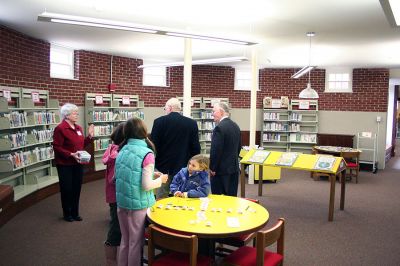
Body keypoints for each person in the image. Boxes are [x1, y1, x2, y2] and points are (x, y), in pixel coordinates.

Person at [115, 117, 168, 266]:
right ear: (144, 131)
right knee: (135, 243)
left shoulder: (122, 149)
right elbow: (146, 185)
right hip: (138, 205)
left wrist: (152, 174)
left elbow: (124, 175)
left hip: (122, 202)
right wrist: (160, 180)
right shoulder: (147, 153)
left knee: (125, 240)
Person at [150, 97, 200, 198]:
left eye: (165, 109)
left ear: (169, 108)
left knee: (162, 197)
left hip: (163, 168)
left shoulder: (159, 122)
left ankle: (162, 214)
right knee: (181, 196)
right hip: (184, 167)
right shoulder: (191, 123)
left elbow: (154, 146)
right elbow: (195, 148)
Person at [53, 103, 94, 222]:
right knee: (67, 189)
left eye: (77, 112)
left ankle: (75, 213)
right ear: (66, 115)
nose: (77, 115)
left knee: (76, 188)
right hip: (65, 164)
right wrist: (71, 154)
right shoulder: (60, 128)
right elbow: (57, 147)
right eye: (74, 113)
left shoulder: (79, 128)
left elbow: (81, 145)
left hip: (78, 163)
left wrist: (90, 137)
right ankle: (67, 213)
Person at [102, 123, 124, 266]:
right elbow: (116, 178)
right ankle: (111, 260)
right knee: (116, 226)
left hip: (112, 194)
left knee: (115, 223)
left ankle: (112, 259)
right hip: (118, 194)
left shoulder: (110, 149)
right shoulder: (120, 155)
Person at [209, 102, 241, 196]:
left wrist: (212, 168)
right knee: (231, 198)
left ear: (221, 112)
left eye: (214, 111)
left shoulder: (219, 128)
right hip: (233, 169)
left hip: (220, 171)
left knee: (219, 199)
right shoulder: (236, 126)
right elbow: (238, 148)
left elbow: (216, 150)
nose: (212, 114)